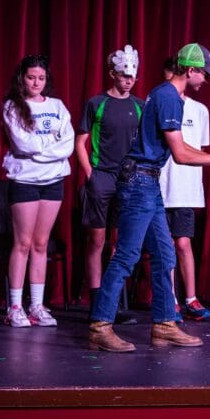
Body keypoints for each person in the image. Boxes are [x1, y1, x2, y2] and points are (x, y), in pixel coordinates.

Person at [88, 43, 210, 352]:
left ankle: (164, 324)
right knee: (126, 256)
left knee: (165, 254)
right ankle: (100, 325)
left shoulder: (165, 95)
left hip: (148, 182)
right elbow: (180, 153)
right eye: (204, 74)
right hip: (139, 182)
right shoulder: (168, 98)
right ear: (190, 71)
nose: (206, 80)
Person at [1, 54, 74, 328]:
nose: (36, 82)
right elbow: (23, 144)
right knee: (23, 243)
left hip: (53, 179)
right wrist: (49, 147)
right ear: (22, 78)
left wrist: (43, 149)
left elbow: (67, 144)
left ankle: (36, 305)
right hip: (25, 180)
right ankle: (15, 306)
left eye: (41, 78)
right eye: (32, 77)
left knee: (41, 244)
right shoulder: (12, 107)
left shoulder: (57, 106)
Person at [76, 44, 143, 325]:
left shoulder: (140, 106)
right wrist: (91, 174)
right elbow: (81, 142)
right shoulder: (97, 103)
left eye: (133, 75)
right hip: (101, 177)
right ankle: (95, 303)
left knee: (119, 244)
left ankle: (111, 303)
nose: (129, 79)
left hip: (128, 180)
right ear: (112, 74)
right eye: (123, 74)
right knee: (97, 241)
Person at [159, 56, 210, 322]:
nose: (206, 80)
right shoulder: (160, 101)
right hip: (160, 186)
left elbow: (197, 150)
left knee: (183, 243)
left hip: (185, 188)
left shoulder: (200, 110)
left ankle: (191, 298)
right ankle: (171, 300)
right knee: (166, 246)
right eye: (203, 73)